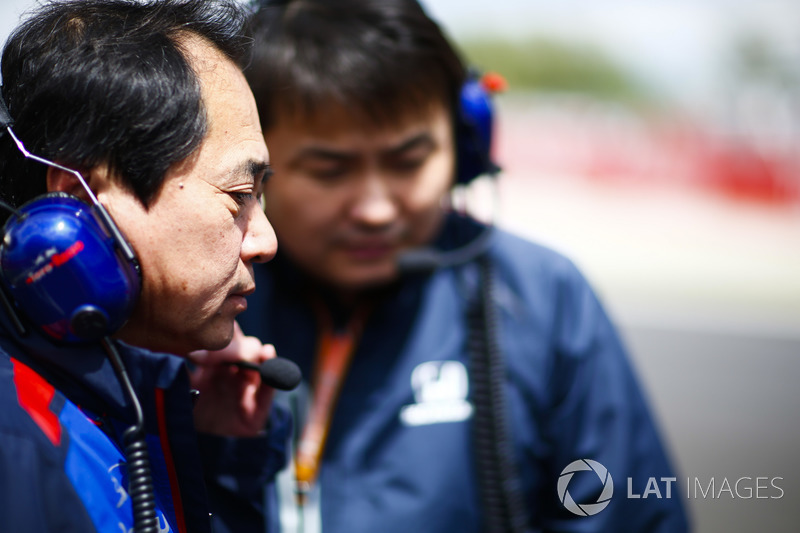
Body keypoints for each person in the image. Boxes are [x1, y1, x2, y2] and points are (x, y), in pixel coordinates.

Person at [237, 0, 690, 532]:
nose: (376, 209)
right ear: (255, 165)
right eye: (330, 170)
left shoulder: (542, 298)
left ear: (466, 147)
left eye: (409, 162)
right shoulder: (201, 303)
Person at [0, 1, 289, 532]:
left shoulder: (132, 397)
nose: (265, 241)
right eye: (239, 195)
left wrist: (218, 456)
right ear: (80, 198)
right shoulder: (16, 442)